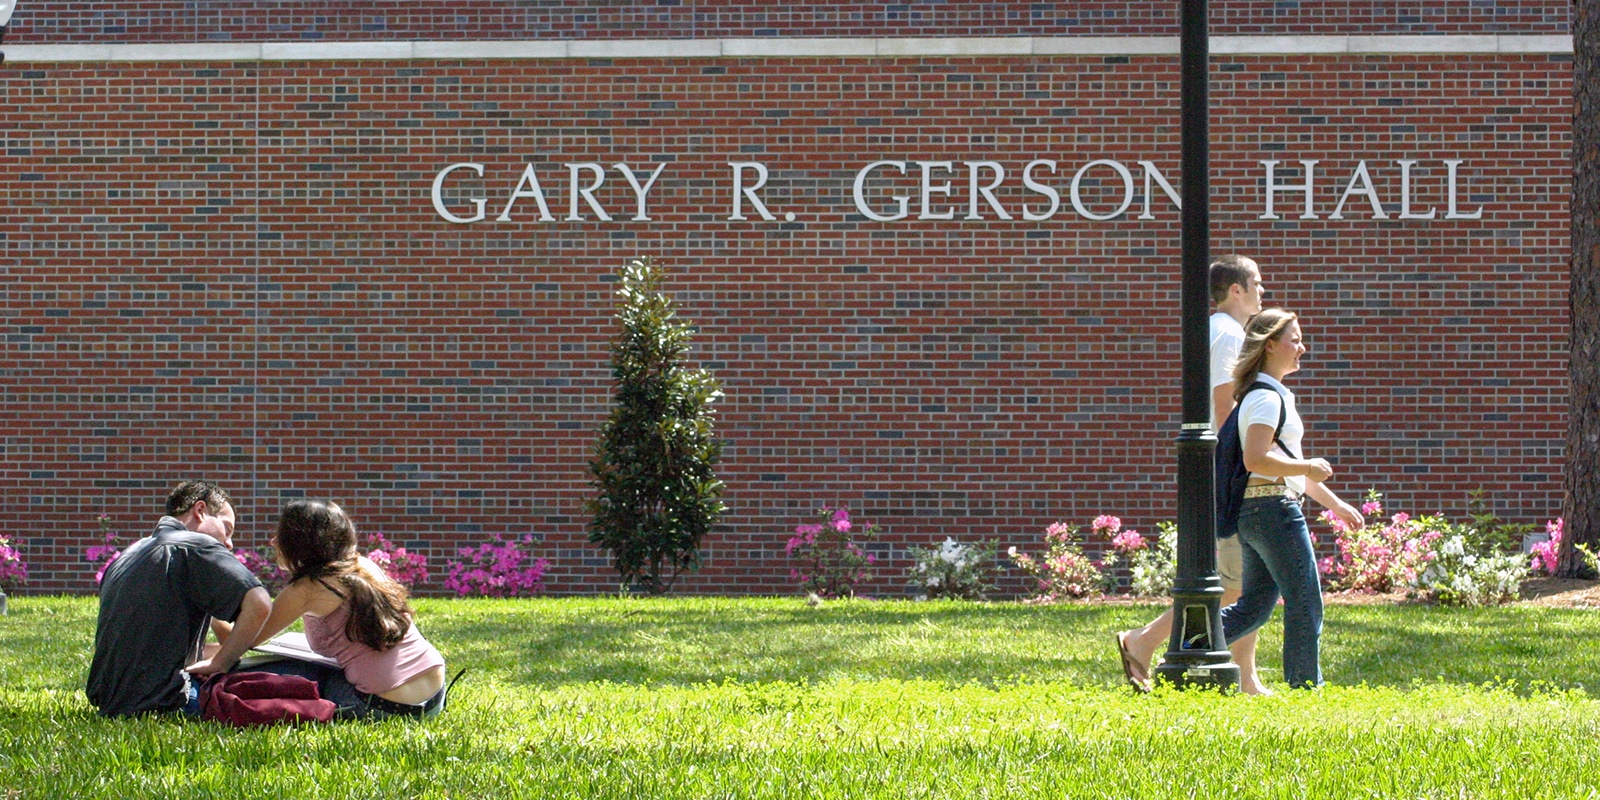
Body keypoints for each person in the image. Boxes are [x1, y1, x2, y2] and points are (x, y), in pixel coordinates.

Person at [1116, 255, 1271, 694]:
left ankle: (1243, 674)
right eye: (1257, 283)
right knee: (1232, 579)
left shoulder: (1221, 332)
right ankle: (1144, 642)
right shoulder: (1228, 335)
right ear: (1236, 290)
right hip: (1227, 469)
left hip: (1220, 469)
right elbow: (1226, 408)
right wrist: (1242, 467)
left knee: (1236, 578)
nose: (1263, 291)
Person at [1219, 308, 1364, 689]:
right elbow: (1257, 459)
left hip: (1260, 510)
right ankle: (1305, 689)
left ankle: (1184, 649)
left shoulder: (1266, 394)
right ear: (1270, 345)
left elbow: (1283, 464)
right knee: (1305, 601)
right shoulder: (1266, 398)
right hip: (1273, 510)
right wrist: (1308, 466)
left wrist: (1336, 505)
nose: (1302, 346)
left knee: (1253, 608)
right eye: (1295, 339)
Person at [248, 499, 447, 719]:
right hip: (434, 698)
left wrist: (213, 605)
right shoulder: (365, 566)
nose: (273, 541)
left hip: (382, 707)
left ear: (299, 542)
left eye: (281, 535)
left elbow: (247, 638)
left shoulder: (307, 589)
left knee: (296, 672)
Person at [86, 480, 272, 717]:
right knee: (292, 671)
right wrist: (222, 663)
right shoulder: (195, 545)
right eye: (227, 529)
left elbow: (150, 645)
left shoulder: (129, 555)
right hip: (169, 701)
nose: (229, 543)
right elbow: (260, 604)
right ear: (200, 511)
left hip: (111, 700)